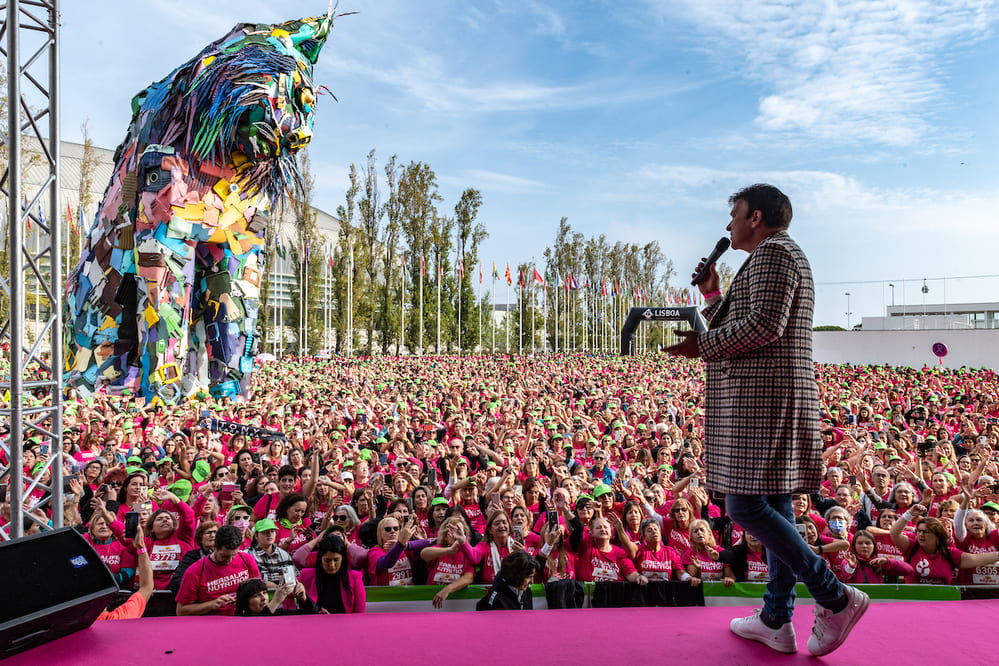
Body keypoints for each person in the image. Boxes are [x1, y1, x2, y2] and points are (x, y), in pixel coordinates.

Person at [667, 184, 867, 656]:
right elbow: (742, 322)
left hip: (766, 400)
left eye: (734, 213)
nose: (729, 224)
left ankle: (834, 596)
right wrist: (713, 293)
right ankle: (777, 618)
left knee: (742, 506)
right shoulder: (767, 259)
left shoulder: (776, 254)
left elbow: (763, 327)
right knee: (775, 505)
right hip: (768, 396)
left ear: (756, 217)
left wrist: (703, 346)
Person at [176, 525, 261, 616]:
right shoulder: (195, 571)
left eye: (234, 555)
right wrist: (211, 605)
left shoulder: (246, 559)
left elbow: (259, 592)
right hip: (211, 621)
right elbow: (181, 611)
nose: (229, 560)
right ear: (214, 547)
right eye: (224, 556)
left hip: (242, 617)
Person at [299, 534, 366, 613]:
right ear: (320, 559)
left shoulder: (355, 577)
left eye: (336, 560)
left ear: (343, 559)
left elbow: (359, 614)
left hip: (346, 624)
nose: (332, 565)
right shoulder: (306, 575)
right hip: (314, 623)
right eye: (327, 560)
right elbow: (290, 592)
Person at [475, 551, 540, 611]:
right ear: (516, 574)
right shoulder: (494, 600)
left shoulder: (527, 592)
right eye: (529, 577)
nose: (531, 582)